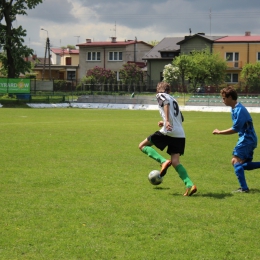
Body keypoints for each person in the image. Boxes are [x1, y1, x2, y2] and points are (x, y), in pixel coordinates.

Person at [138, 82, 197, 196]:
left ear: (159, 89)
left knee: (142, 146)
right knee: (175, 162)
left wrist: (167, 122)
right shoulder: (174, 100)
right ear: (169, 91)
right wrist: (165, 121)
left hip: (169, 131)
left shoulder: (161, 95)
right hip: (180, 134)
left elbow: (165, 103)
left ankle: (163, 161)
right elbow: (181, 118)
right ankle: (190, 185)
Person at [212, 86, 260, 192]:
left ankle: (244, 188)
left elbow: (236, 129)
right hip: (248, 139)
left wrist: (219, 132)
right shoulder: (234, 109)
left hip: (247, 139)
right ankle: (244, 187)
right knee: (241, 165)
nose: (223, 100)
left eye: (224, 98)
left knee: (235, 161)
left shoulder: (240, 110)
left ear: (230, 97)